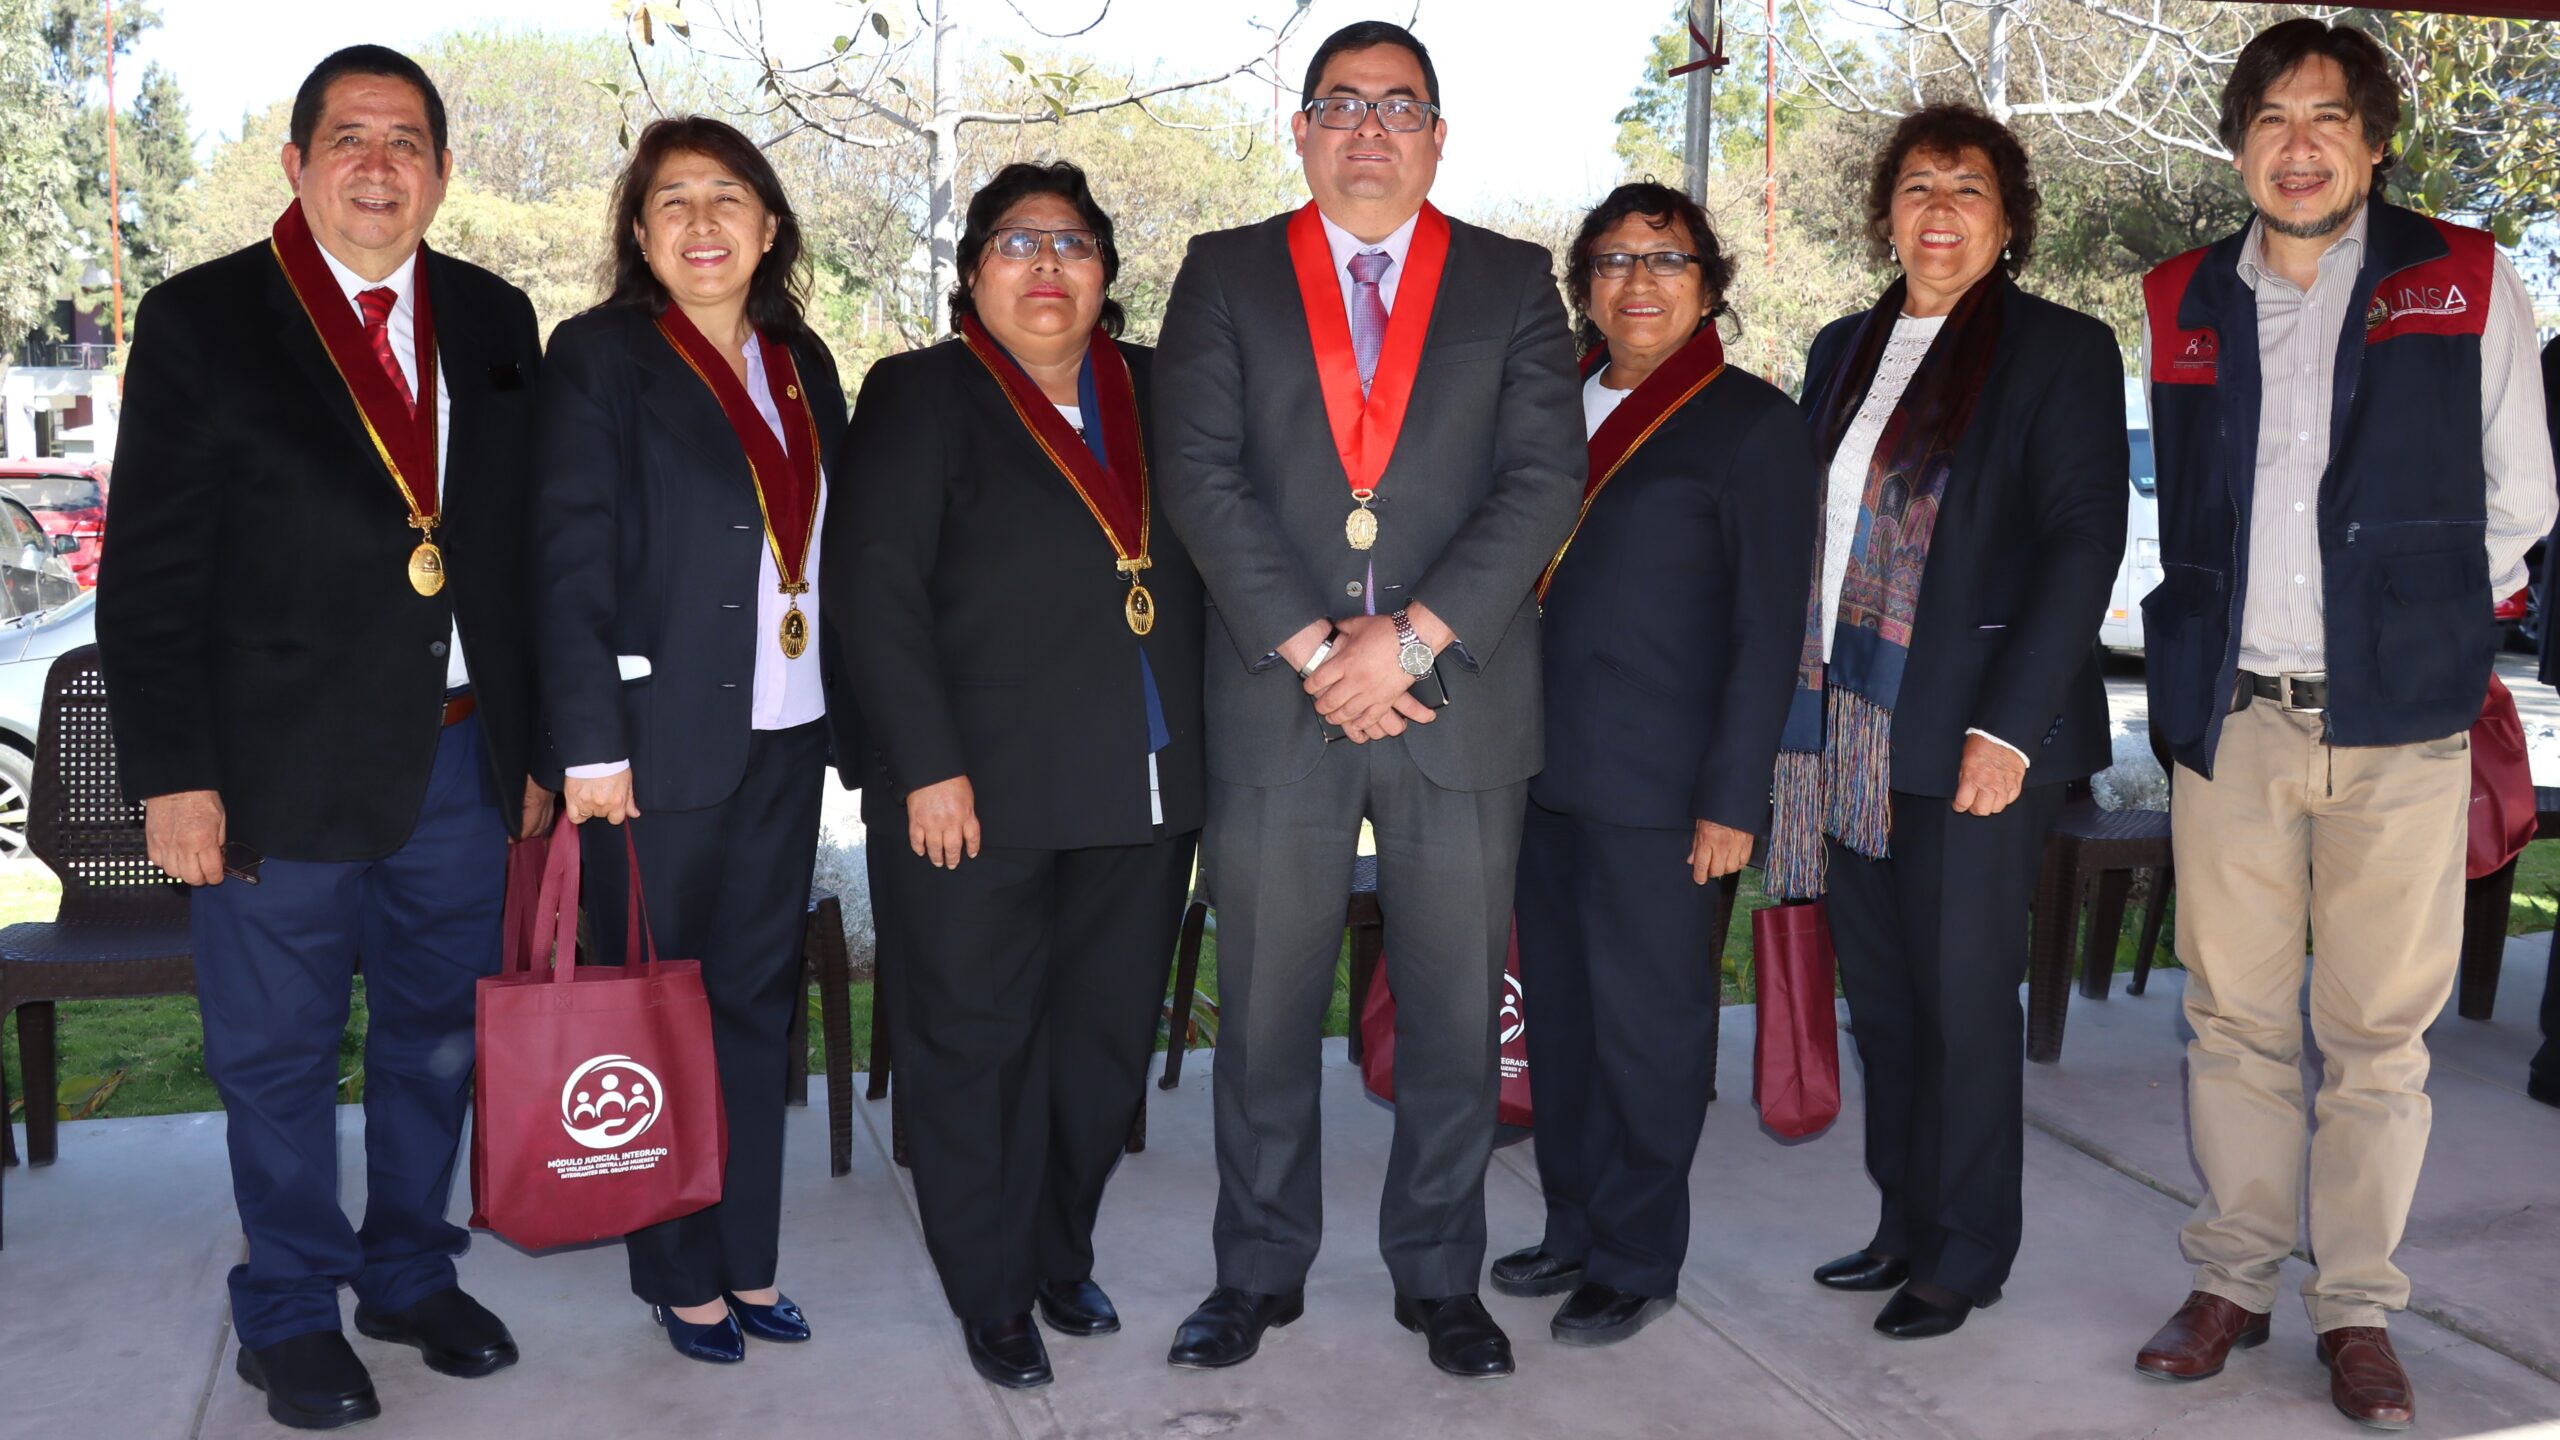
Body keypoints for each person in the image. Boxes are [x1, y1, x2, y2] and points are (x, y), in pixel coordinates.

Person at [96, 44, 548, 1431]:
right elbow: (150, 578)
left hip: (460, 765)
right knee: (277, 1058)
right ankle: (290, 1309)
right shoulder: (204, 320)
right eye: (349, 136)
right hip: (270, 778)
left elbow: (517, 551)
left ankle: (408, 1275)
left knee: (435, 1043)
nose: (377, 163)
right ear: (296, 164)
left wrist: (532, 747)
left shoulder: (493, 317)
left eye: (405, 140)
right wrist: (175, 777)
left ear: (442, 172)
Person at [2132, 21, 2557, 1428]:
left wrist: (2412, 622)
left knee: (2378, 1036)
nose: (2298, 144)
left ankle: (2357, 1308)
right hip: (2235, 718)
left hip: (2398, 726)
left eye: (2327, 116)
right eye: (2270, 117)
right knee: (2232, 1019)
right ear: (2239, 146)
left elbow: (2521, 495)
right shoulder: (2182, 296)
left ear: (2373, 144)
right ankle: (2234, 1281)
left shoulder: (2463, 278)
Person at [1153, 20, 1584, 1379]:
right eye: (1340, 104)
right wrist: (1315, 650)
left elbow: (1542, 480)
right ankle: (1256, 1270)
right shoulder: (1224, 273)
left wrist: (1407, 641)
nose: (1368, 130)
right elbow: (1199, 474)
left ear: (1438, 136)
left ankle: (1440, 1278)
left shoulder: (1512, 280)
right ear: (1300, 130)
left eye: (1398, 106)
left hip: (1456, 699)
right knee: (1263, 1011)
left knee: (1455, 1013)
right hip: (1277, 703)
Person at [841, 160, 1206, 1392]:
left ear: (1105, 272)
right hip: (974, 793)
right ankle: (989, 1288)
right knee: (974, 1044)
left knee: (1099, 1045)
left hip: (1144, 784)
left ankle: (1058, 1252)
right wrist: (925, 768)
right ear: (971, 274)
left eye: (1071, 243)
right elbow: (876, 593)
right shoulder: (918, 392)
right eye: (1015, 242)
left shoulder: (1161, 387)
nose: (1046, 264)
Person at [1767, 103, 2127, 1342]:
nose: (1939, 211)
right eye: (1916, 186)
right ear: (1885, 215)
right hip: (1847, 729)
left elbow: (2083, 542)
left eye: (1967, 189)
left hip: (1976, 736)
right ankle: (1905, 1221)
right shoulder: (1841, 350)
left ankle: (1965, 1253)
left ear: (2008, 220)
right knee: (1885, 1000)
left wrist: (2010, 729)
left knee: (1963, 1004)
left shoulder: (2059, 350)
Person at [536, 115, 857, 1365]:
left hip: (785, 732)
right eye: (674, 200)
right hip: (649, 751)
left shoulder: (800, 358)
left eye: (729, 197)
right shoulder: (600, 357)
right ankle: (679, 1276)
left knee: (754, 1008)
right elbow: (566, 560)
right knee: (657, 1010)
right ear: (639, 231)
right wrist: (588, 745)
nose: (703, 221)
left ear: (769, 226)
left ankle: (747, 1256)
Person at [1489, 182, 1815, 1347]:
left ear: (1708, 285)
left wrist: (1733, 798)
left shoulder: (1753, 424)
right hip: (1534, 771)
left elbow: (1769, 630)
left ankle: (1635, 1257)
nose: (1638, 282)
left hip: (1665, 791)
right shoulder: (1548, 406)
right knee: (1564, 1020)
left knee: (1647, 1029)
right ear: (1584, 285)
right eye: (1615, 260)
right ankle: (1573, 1224)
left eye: (1666, 260)